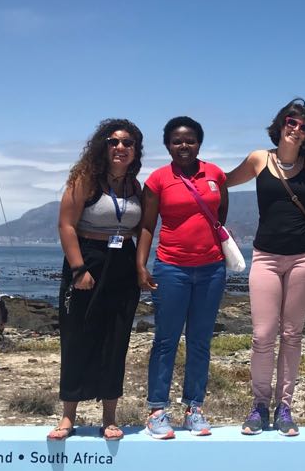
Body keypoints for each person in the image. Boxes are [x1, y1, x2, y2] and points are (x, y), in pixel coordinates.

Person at [226, 99, 305, 436]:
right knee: (263, 335)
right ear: (281, 124)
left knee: (292, 334)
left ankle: (285, 408)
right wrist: (221, 226)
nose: (296, 129)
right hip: (264, 257)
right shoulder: (258, 159)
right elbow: (220, 184)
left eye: (303, 127)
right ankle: (259, 406)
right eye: (292, 122)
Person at [49, 118, 144, 441]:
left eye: (128, 143)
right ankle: (67, 417)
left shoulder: (134, 187)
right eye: (114, 142)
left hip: (122, 264)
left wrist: (140, 267)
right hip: (88, 259)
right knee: (77, 337)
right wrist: (78, 269)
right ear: (102, 146)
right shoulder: (85, 180)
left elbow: (138, 229)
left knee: (116, 341)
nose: (121, 148)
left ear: (135, 150)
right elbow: (66, 225)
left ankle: (109, 418)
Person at [138, 116, 229, 440]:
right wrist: (141, 264)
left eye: (190, 140)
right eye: (177, 141)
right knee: (166, 339)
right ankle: (157, 410)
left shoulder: (216, 174)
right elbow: (147, 225)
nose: (184, 146)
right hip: (171, 268)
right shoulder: (158, 179)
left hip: (212, 269)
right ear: (167, 145)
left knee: (200, 341)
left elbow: (220, 217)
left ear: (199, 143)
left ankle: (195, 408)